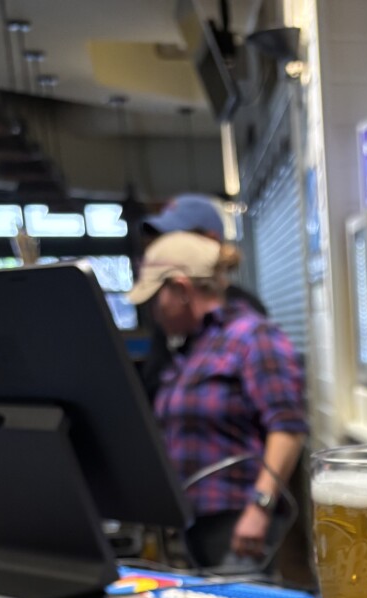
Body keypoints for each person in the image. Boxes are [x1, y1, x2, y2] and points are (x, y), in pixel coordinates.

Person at [128, 231, 307, 571]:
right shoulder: (194, 347)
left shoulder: (252, 337)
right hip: (198, 519)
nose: (154, 311)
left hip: (239, 519)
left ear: (181, 289)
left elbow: (288, 428)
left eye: (157, 298)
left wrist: (260, 507)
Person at [138, 194, 267, 402]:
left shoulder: (247, 316)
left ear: (211, 240)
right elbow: (154, 384)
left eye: (176, 240)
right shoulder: (173, 313)